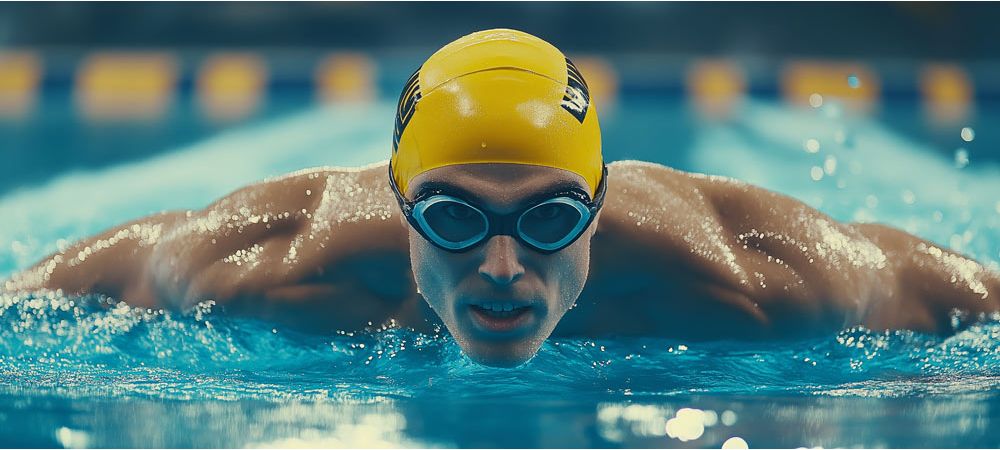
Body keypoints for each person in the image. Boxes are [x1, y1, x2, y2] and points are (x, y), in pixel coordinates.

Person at [4, 29, 999, 367]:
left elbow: (958, 293)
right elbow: (78, 276)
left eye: (552, 219)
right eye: (451, 217)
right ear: (396, 206)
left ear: (600, 211)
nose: (501, 267)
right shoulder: (275, 261)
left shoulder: (755, 280)